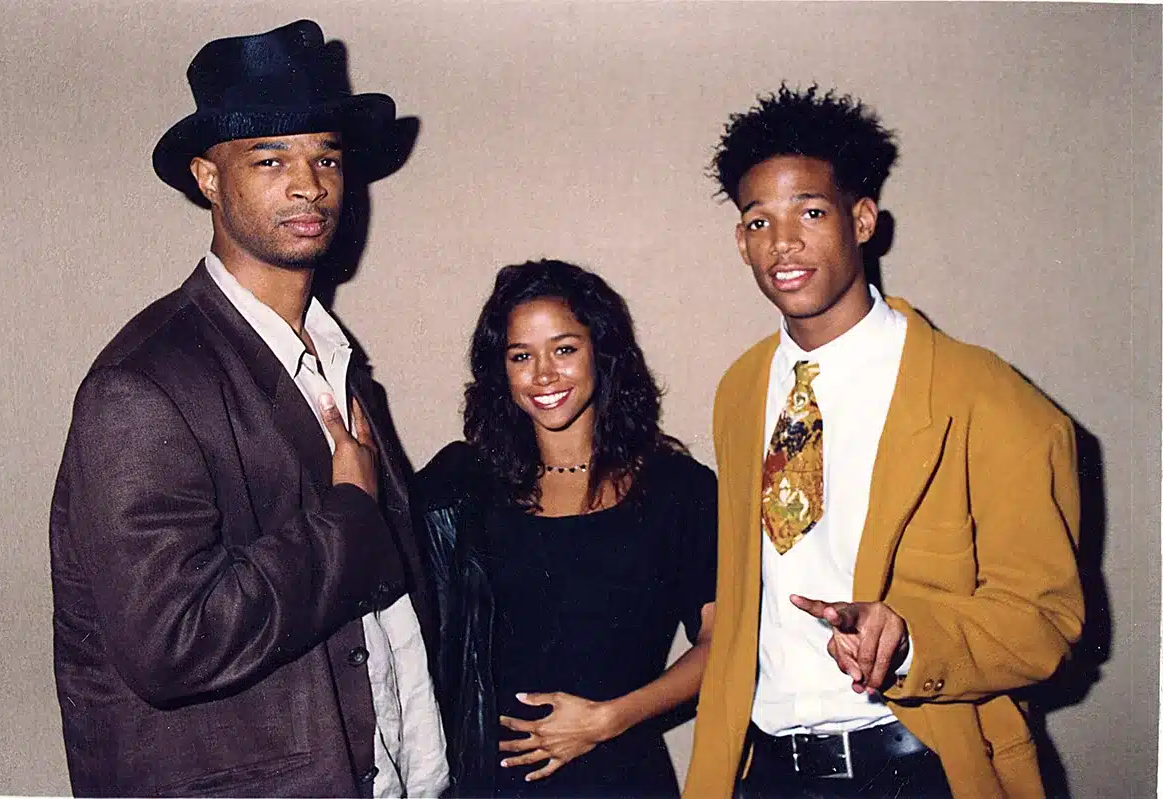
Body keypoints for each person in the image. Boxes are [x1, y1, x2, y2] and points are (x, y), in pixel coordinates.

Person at [49, 20, 447, 797]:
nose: (309, 184)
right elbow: (172, 641)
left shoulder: (337, 362)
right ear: (207, 177)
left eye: (326, 157)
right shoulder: (142, 385)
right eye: (271, 159)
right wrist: (348, 514)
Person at [685, 85, 1084, 799]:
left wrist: (908, 639)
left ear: (863, 220)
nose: (783, 242)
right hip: (765, 770)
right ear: (741, 240)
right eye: (759, 220)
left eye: (811, 212)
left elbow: (1045, 620)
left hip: (917, 766)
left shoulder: (989, 399)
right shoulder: (741, 390)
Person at [417, 260, 718, 798]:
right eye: (521, 356)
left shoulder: (678, 488)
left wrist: (608, 720)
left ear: (601, 351)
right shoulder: (463, 485)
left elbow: (723, 644)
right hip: (492, 784)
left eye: (564, 349)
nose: (543, 375)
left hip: (623, 777)